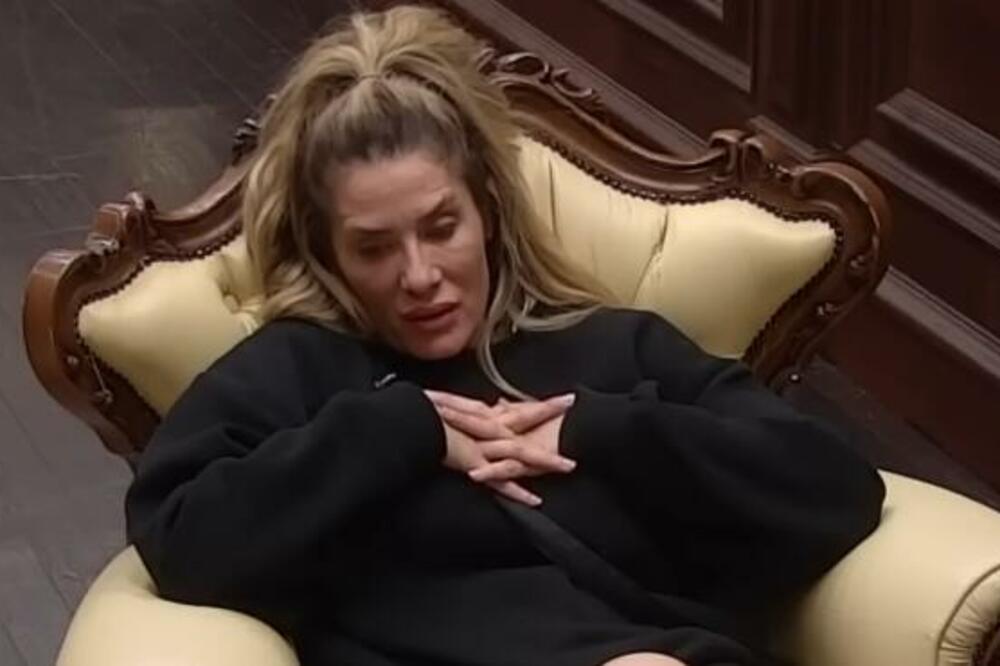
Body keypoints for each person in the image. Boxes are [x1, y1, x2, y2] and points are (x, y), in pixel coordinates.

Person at [124, 6, 885, 666]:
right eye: (374, 247)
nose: (419, 275)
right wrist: (392, 432)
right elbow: (181, 544)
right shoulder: (295, 372)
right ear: (327, 252)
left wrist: (609, 432)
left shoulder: (613, 350)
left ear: (486, 211)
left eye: (441, 227)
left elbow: (836, 493)